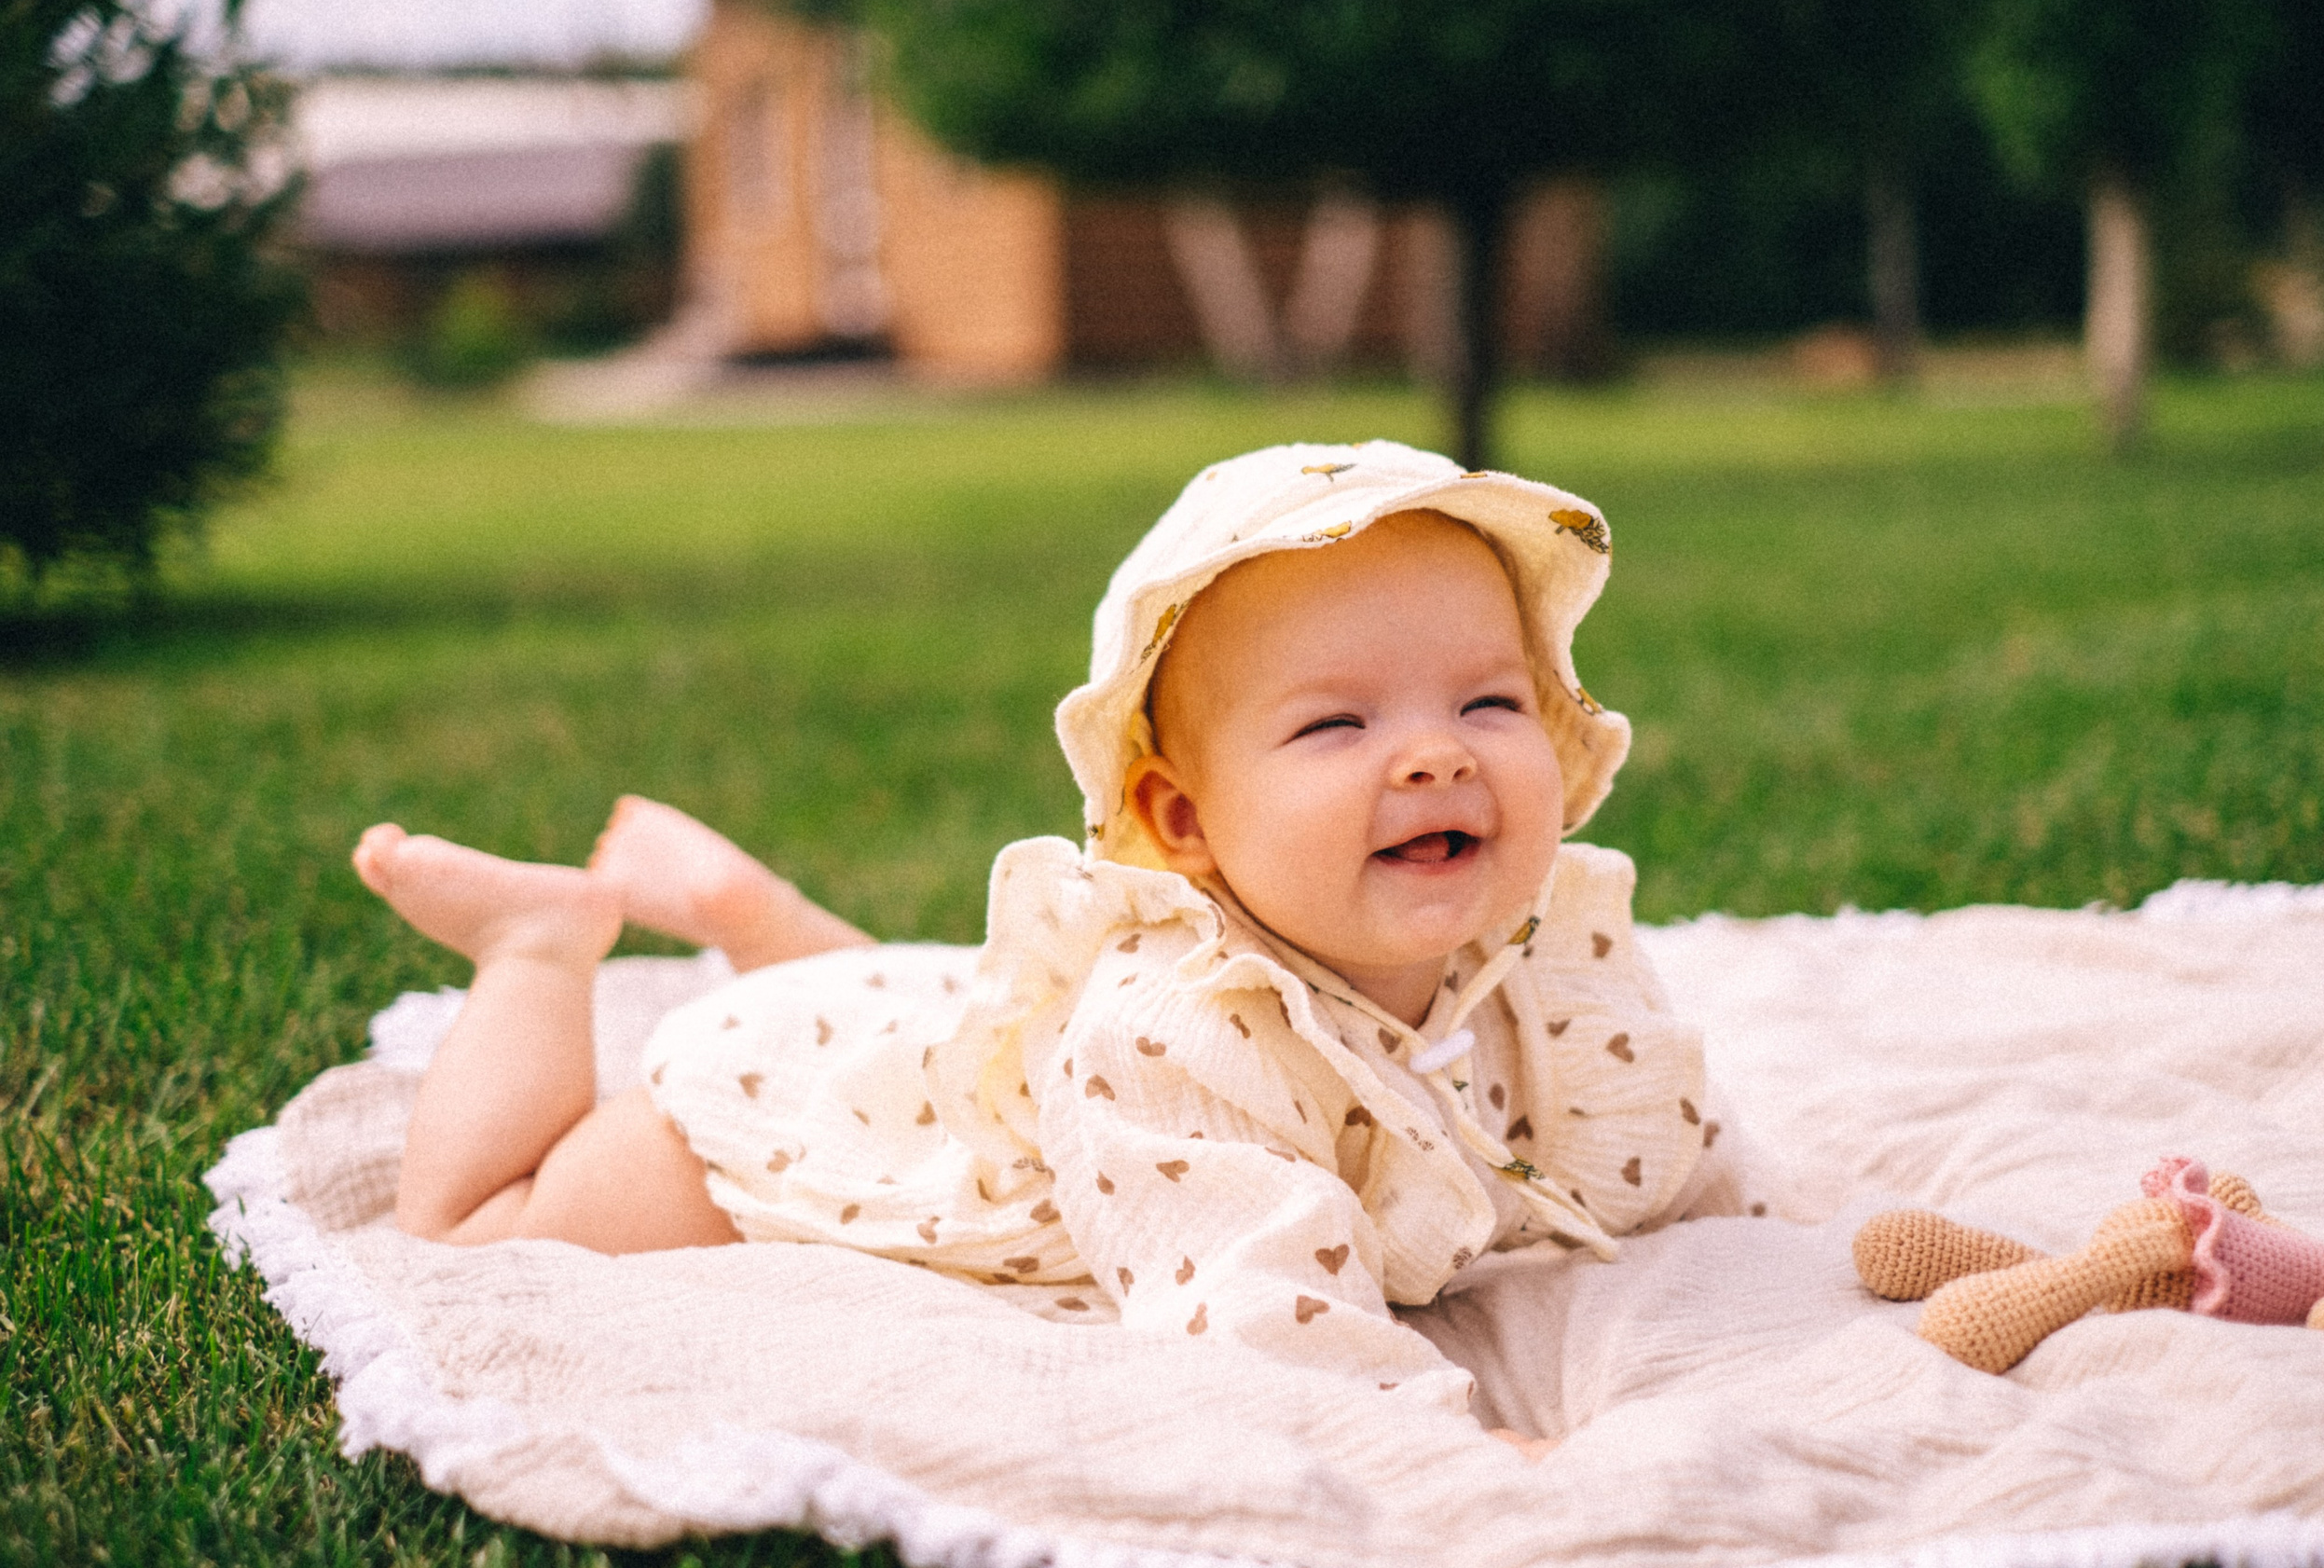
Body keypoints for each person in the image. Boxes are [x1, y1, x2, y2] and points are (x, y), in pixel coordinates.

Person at [351, 440, 1750, 1446]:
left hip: (981, 1048)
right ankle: (542, 944)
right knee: (481, 1233)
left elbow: (1642, 1135)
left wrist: (1764, 1232)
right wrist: (1448, 1449)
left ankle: (753, 915)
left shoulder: (1554, 931)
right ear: (1182, 816)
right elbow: (1257, 1321)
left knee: (950, 1013)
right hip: (837, 1129)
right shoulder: (1179, 1036)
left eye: (1491, 703)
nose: (1437, 756)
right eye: (1340, 724)